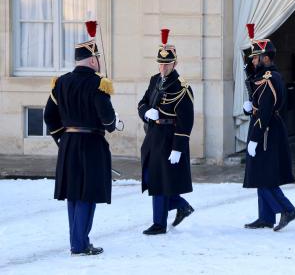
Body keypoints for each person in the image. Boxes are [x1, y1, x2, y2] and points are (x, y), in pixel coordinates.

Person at [44, 20, 121, 255]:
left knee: (73, 193)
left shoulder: (61, 83)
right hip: (92, 144)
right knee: (87, 193)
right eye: (97, 59)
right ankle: (80, 243)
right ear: (93, 59)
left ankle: (76, 241)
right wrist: (114, 121)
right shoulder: (99, 84)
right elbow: (107, 121)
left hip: (68, 143)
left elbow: (49, 116)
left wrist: (62, 139)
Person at [138, 29, 195, 235]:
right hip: (153, 134)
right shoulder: (154, 80)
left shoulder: (181, 87)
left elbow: (186, 121)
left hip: (169, 137)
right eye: (160, 63)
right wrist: (147, 113)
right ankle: (180, 205)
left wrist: (178, 147)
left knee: (159, 181)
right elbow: (142, 102)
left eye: (167, 64)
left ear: (175, 64)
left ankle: (159, 223)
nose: (162, 67)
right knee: (152, 177)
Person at [242, 24, 295, 231]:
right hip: (264, 127)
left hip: (265, 131)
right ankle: (265, 216)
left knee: (263, 174)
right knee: (260, 173)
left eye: (257, 57)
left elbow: (265, 111)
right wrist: (249, 108)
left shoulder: (268, 78)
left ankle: (286, 209)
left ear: (266, 58)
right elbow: (258, 105)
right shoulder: (262, 77)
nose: (253, 61)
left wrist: (255, 138)